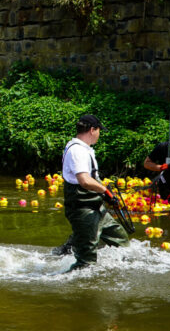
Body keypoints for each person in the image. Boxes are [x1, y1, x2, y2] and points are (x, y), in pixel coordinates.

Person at [59, 114, 130, 270]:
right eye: (99, 130)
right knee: (86, 261)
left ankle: (70, 246)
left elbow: (91, 178)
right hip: (83, 209)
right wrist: (105, 191)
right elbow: (84, 180)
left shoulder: (85, 149)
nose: (99, 134)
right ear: (92, 130)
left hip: (96, 207)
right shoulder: (77, 151)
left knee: (120, 240)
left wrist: (103, 191)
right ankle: (75, 287)